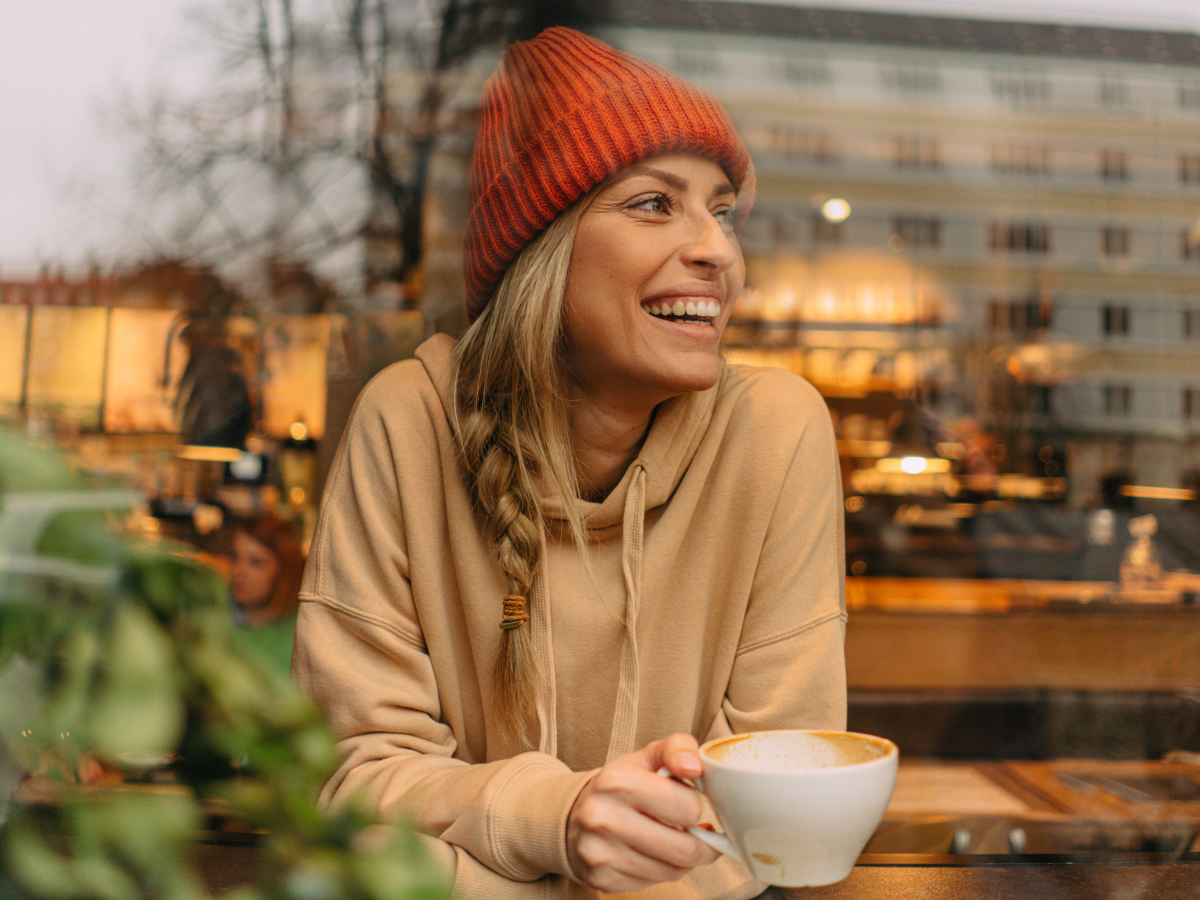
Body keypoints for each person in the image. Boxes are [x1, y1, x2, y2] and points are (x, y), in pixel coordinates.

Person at [293, 26, 846, 900]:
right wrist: (556, 817)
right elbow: (350, 785)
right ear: (541, 254)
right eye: (655, 203)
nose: (719, 250)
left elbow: (781, 805)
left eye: (722, 209)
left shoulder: (776, 433)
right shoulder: (407, 422)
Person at [228, 512, 304, 673]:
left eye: (256, 562)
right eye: (234, 557)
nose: (238, 571)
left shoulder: (302, 632)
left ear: (284, 569)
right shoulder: (210, 616)